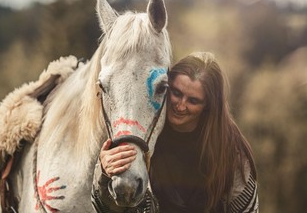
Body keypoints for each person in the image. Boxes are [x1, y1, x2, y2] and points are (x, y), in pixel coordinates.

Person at [92, 52, 259, 213]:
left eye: (193, 101)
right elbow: (104, 209)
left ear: (208, 106)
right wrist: (105, 174)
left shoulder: (230, 152)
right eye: (177, 93)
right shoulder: (141, 136)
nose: (180, 106)